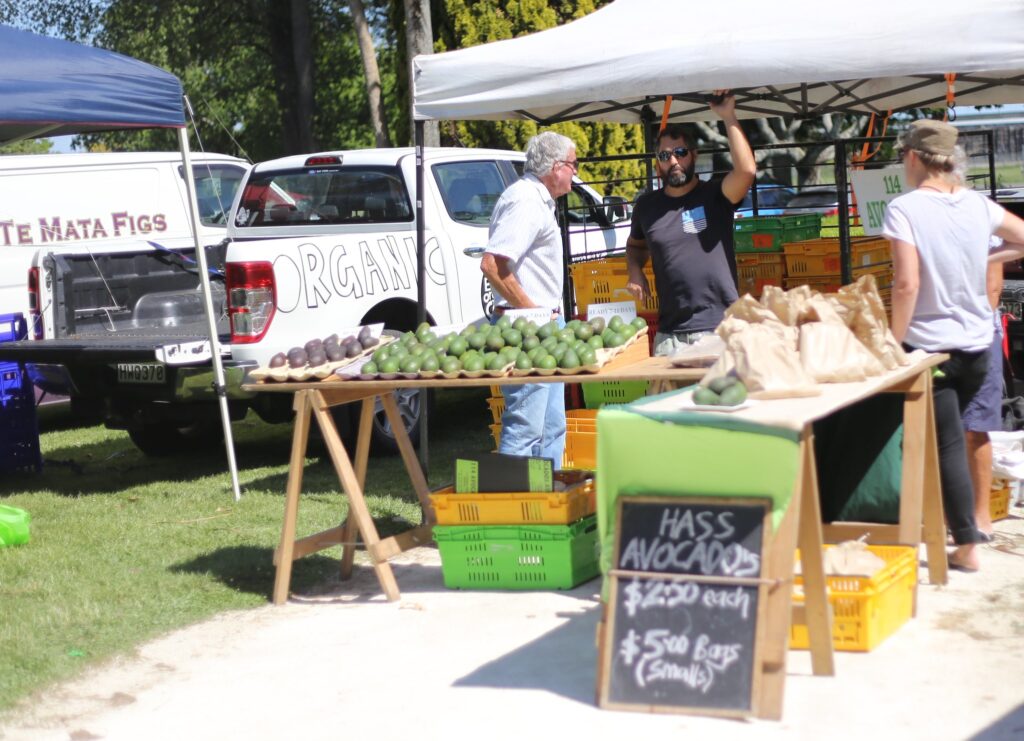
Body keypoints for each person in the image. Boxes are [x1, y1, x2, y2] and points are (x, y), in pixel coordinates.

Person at [882, 118, 1024, 572]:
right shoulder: (978, 206)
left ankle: (966, 544)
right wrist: (984, 256)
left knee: (943, 445)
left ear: (912, 157)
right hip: (979, 345)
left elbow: (906, 285)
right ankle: (948, 531)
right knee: (963, 436)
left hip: (930, 348)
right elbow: (1021, 237)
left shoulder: (904, 209)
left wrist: (893, 342)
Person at [625, 90, 756, 356]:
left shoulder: (716, 195)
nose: (673, 161)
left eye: (680, 152)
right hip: (669, 337)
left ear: (694, 155)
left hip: (720, 329)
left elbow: (746, 171)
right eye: (665, 156)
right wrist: (635, 270)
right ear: (657, 165)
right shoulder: (646, 206)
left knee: (724, 399)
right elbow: (636, 246)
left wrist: (728, 116)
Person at [480, 130, 577, 466]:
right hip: (526, 329)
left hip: (540, 327)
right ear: (554, 166)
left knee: (551, 428)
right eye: (572, 165)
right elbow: (492, 264)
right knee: (525, 429)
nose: (575, 173)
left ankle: (546, 505)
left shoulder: (536, 200)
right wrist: (535, 313)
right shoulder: (524, 200)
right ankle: (514, 510)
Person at [962, 255, 1005, 538]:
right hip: (936, 336)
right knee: (945, 428)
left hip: (977, 335)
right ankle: (949, 513)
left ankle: (980, 516)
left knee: (975, 426)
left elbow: (993, 287)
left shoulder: (983, 216)